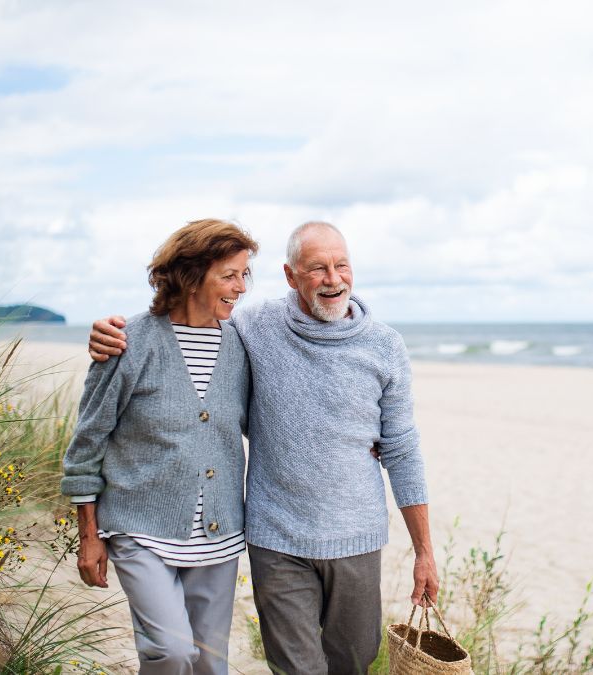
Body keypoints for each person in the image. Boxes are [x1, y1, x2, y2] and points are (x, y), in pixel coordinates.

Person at [89, 221, 437, 675]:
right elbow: (183, 326)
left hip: (356, 535)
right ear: (291, 276)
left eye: (342, 265)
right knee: (295, 668)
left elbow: (403, 450)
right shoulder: (252, 326)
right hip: (276, 537)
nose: (333, 279)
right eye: (318, 268)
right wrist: (108, 333)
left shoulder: (385, 346)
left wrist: (424, 551)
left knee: (354, 660)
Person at [62, 219, 257, 675]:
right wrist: (88, 537)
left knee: (211, 664)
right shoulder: (128, 342)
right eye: (229, 275)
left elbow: (266, 421)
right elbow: (86, 443)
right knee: (170, 654)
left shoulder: (243, 347)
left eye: (246, 274)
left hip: (219, 534)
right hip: (139, 529)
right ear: (190, 276)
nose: (241, 287)